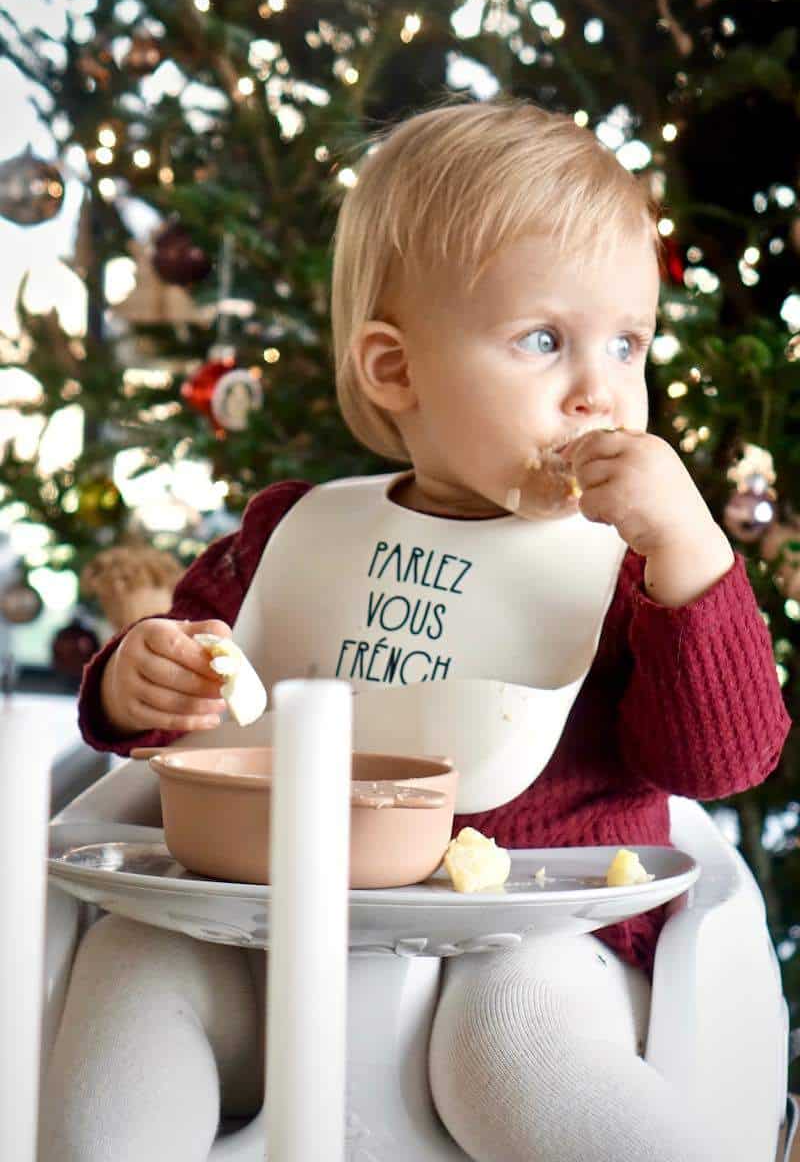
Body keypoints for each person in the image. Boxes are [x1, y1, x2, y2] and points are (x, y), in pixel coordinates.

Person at [42, 96, 790, 1162]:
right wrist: (137, 680)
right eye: (544, 341)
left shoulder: (626, 564)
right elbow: (192, 696)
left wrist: (689, 564)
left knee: (512, 1041)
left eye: (626, 345)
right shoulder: (294, 533)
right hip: (271, 933)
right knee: (130, 968)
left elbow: (722, 759)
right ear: (396, 371)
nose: (601, 395)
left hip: (536, 941)